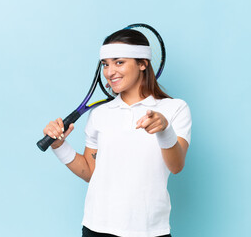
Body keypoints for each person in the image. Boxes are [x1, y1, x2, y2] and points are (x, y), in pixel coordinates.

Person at [43, 28, 192, 237]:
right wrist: (59, 147)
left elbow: (176, 166)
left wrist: (164, 129)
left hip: (149, 231)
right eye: (105, 64)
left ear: (142, 63)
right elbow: (90, 171)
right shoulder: (99, 114)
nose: (110, 71)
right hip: (96, 227)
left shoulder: (175, 109)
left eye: (119, 62)